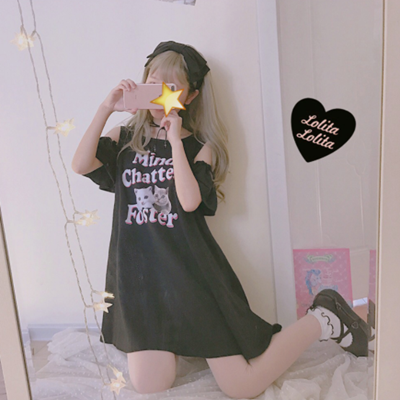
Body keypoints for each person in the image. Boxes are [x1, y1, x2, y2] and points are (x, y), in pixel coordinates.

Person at [71, 41, 372, 399]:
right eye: (153, 82)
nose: (159, 92)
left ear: (190, 95)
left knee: (241, 386)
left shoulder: (200, 147)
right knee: (150, 384)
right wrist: (106, 108)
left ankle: (324, 317)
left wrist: (174, 140)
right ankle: (175, 340)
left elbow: (189, 201)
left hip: (191, 278)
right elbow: (80, 164)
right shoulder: (125, 139)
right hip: (141, 282)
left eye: (171, 86)